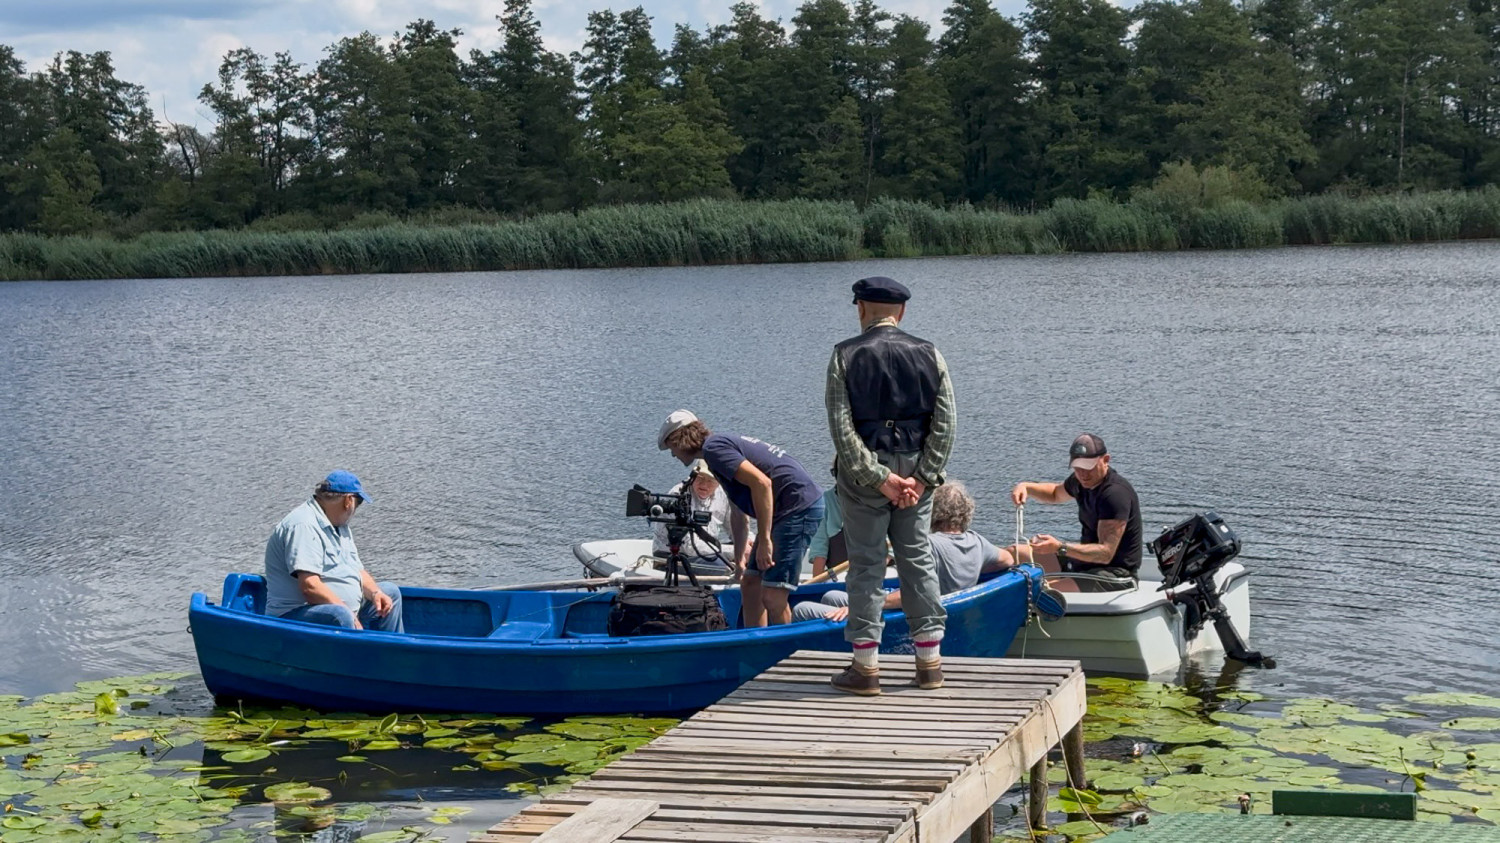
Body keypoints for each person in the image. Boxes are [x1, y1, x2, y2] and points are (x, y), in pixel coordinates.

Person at [825, 275, 956, 695]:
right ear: (901, 312)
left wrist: (879, 478)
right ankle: (929, 665)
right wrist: (921, 476)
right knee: (916, 559)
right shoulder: (930, 353)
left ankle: (866, 669)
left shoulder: (843, 356)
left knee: (866, 564)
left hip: (866, 473)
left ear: (861, 308)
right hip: (916, 468)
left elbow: (842, 429)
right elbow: (947, 423)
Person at [658, 410, 825, 627]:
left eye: (671, 448)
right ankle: (757, 644)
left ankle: (787, 653)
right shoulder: (715, 455)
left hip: (799, 507)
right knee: (750, 584)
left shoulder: (714, 449)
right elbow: (738, 513)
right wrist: (739, 560)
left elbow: (762, 484)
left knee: (773, 596)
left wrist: (765, 540)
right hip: (785, 510)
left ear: (678, 439)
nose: (673, 455)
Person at [794, 481, 1009, 621]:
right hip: (947, 610)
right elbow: (1007, 559)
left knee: (801, 609)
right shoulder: (979, 544)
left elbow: (913, 595)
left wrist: (862, 607)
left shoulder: (927, 546)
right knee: (831, 595)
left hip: (907, 617)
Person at [263, 470, 404, 632]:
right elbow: (309, 586)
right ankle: (351, 655)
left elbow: (357, 571)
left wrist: (375, 593)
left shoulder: (339, 525)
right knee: (341, 615)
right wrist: (348, 613)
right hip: (292, 616)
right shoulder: (304, 525)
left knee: (390, 592)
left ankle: (391, 653)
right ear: (348, 501)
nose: (356, 509)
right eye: (358, 503)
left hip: (337, 611)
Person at [1009, 433, 1142, 593]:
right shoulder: (1080, 481)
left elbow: (1105, 553)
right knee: (1012, 553)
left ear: (1106, 460)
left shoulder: (1114, 494)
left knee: (1040, 592)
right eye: (1078, 468)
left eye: (1088, 467)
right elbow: (1055, 493)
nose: (1083, 474)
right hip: (1083, 562)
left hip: (1114, 575)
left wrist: (1059, 547)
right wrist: (1026, 487)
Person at [651, 459, 733, 564]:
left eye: (710, 480)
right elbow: (690, 548)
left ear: (719, 481)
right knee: (722, 564)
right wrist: (734, 551)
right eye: (700, 478)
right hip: (676, 555)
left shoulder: (723, 494)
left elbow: (735, 529)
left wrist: (749, 544)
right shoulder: (678, 496)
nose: (704, 485)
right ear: (692, 477)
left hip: (708, 549)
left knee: (751, 556)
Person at [805, 485, 847, 580]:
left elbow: (885, 544)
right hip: (838, 572)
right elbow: (819, 544)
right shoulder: (826, 499)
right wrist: (816, 580)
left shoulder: (874, 499)